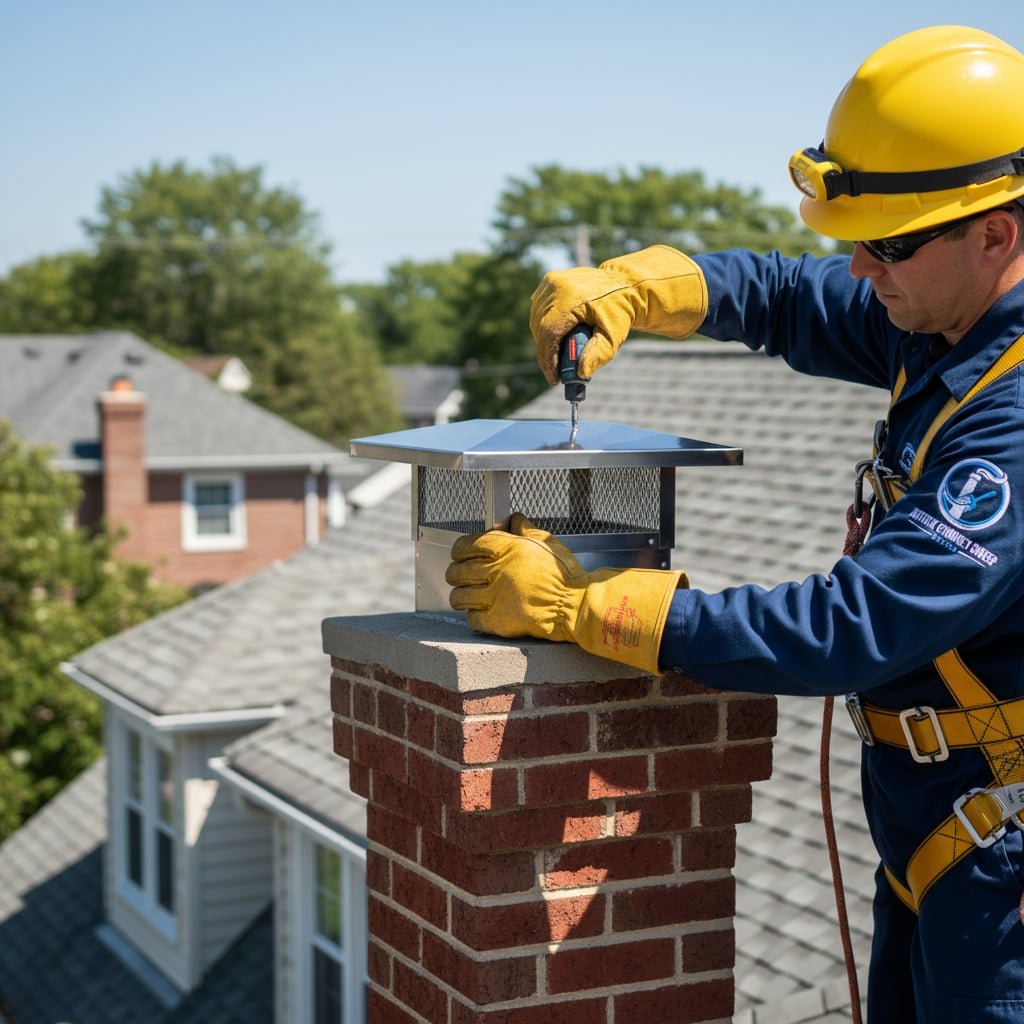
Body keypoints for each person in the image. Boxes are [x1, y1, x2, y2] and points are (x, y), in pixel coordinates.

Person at [445, 24, 1024, 1024]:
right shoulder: (942, 318)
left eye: (886, 242)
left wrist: (586, 606)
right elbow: (785, 296)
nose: (856, 266)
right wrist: (643, 286)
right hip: (932, 821)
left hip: (996, 851)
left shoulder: (1011, 418)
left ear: (995, 233)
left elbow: (851, 627)